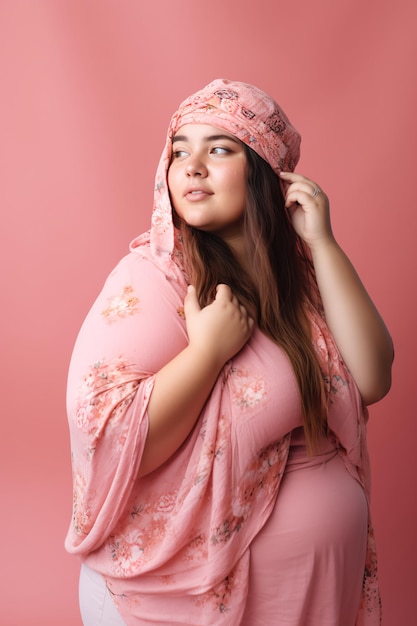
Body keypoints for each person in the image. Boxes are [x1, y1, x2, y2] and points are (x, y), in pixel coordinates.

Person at [65, 79, 393, 626]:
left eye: (219, 149)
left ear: (267, 171)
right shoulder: (156, 278)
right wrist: (208, 351)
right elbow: (112, 432)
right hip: (183, 598)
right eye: (178, 151)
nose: (191, 166)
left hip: (315, 590)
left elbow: (373, 376)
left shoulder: (304, 276)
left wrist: (322, 243)